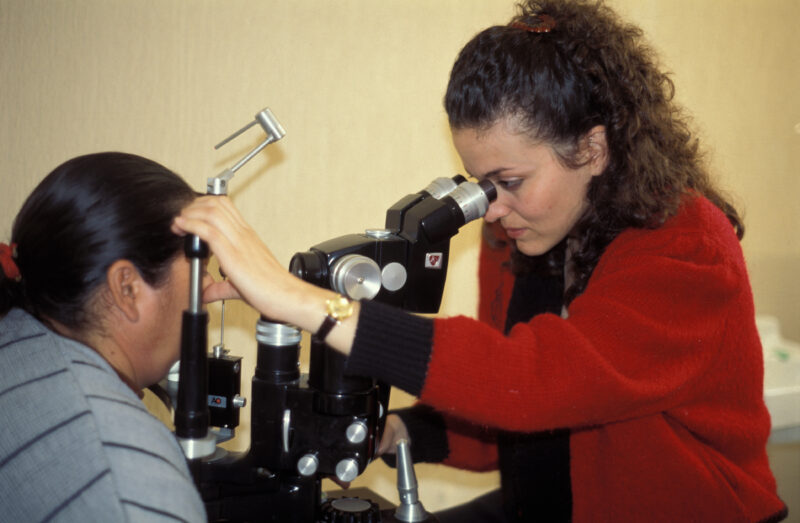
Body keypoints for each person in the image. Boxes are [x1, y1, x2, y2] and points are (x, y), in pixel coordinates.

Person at [172, 0, 787, 521]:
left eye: (509, 180)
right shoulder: (524, 235)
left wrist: (303, 303)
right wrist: (397, 432)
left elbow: (534, 383)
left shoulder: (684, 245)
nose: (493, 209)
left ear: (594, 147)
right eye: (482, 185)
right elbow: (498, 402)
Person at [0, 152, 207, 521]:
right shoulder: (127, 483)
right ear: (127, 288)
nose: (208, 287)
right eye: (201, 268)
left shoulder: (13, 338)